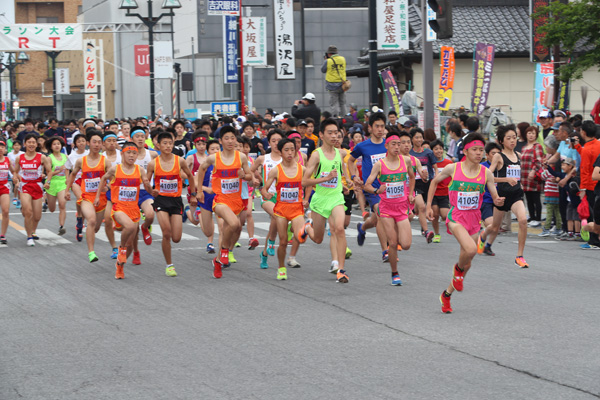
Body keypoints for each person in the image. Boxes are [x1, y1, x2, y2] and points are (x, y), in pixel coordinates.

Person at [427, 133, 504, 313]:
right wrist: (428, 206)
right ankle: (458, 270)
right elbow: (434, 182)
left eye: (481, 150)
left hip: (473, 220)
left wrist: (498, 200)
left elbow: (494, 194)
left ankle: (446, 295)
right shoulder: (454, 168)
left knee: (467, 263)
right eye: (475, 150)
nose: (479, 153)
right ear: (465, 150)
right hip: (456, 218)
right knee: (470, 249)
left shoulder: (486, 173)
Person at [299, 118, 352, 283]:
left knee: (339, 229)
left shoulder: (341, 153)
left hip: (336, 198)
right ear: (321, 135)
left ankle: (341, 270)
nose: (334, 136)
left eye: (336, 132)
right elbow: (304, 181)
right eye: (330, 133)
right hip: (320, 200)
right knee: (318, 239)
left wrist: (349, 181)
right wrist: (325, 179)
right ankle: (308, 228)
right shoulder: (316, 156)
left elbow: (344, 168)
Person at [196, 126, 253, 279]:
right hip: (220, 200)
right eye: (226, 138)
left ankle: (218, 261)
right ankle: (225, 251)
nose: (230, 141)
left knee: (234, 227)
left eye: (232, 138)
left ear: (236, 139)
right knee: (234, 224)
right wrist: (200, 190)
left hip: (236, 200)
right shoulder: (214, 158)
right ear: (221, 141)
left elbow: (250, 176)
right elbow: (202, 169)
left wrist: (244, 175)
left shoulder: (241, 157)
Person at [364, 131, 415, 285]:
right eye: (394, 144)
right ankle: (395, 273)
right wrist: (376, 191)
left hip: (401, 208)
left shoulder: (406, 161)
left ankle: (394, 247)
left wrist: (411, 193)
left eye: (399, 144)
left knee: (405, 245)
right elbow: (367, 184)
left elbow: (412, 177)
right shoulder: (380, 164)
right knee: (392, 243)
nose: (397, 147)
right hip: (386, 209)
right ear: (386, 146)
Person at [96, 142, 153, 279]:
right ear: (122, 154)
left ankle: (120, 267)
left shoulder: (140, 170)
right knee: (129, 228)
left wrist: (151, 189)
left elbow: (146, 183)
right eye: (129, 152)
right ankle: (120, 248)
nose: (132, 155)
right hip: (119, 207)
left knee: (131, 244)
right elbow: (104, 178)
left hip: (133, 208)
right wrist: (98, 195)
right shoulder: (115, 169)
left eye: (134, 153)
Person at [477, 125, 530, 268]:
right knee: (494, 227)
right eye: (508, 138)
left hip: (516, 195)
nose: (512, 141)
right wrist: (505, 179)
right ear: (501, 141)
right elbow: (487, 176)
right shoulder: (499, 157)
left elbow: (519, 176)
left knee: (523, 220)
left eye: (514, 137)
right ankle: (483, 235)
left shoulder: (519, 156)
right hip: (501, 196)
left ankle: (519, 256)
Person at [146, 132, 197, 277]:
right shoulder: (153, 164)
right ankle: (169, 265)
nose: (168, 146)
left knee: (176, 238)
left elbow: (190, 177)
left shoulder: (179, 161)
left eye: (170, 143)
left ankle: (186, 211)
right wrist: (152, 190)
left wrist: (193, 195)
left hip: (175, 201)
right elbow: (146, 183)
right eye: (165, 143)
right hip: (161, 200)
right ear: (158, 145)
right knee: (166, 233)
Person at [261, 138, 307, 280]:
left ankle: (294, 228)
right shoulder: (276, 170)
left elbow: (310, 184)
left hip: (297, 209)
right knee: (282, 241)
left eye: (292, 149)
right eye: (286, 150)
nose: (289, 153)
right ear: (280, 152)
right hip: (281, 209)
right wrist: (265, 193)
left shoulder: (302, 169)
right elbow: (264, 188)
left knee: (301, 236)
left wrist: (306, 198)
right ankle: (281, 267)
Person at [348, 112, 389, 262]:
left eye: (382, 126)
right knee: (380, 214)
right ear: (370, 128)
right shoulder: (362, 146)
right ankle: (385, 251)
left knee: (375, 219)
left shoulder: (388, 145)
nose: (380, 129)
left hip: (388, 189)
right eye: (377, 126)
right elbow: (350, 161)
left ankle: (363, 227)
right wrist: (354, 177)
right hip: (371, 188)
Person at [65, 129, 110, 262]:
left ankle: (90, 233)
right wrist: (67, 190)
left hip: (101, 198)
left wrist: (109, 187)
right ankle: (91, 252)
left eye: (99, 143)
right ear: (88, 144)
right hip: (86, 197)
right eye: (94, 142)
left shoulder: (105, 161)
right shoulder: (81, 161)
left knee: (95, 227)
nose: (97, 145)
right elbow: (72, 175)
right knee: (90, 220)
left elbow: (113, 178)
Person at [251, 129, 284, 269]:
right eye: (273, 141)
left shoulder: (287, 158)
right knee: (277, 216)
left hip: (283, 198)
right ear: (269, 142)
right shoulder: (263, 158)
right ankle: (271, 242)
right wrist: (254, 180)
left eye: (278, 141)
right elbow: (250, 170)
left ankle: (264, 254)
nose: (276, 143)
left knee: (275, 221)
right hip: (267, 196)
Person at [14, 134, 51, 246]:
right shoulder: (19, 158)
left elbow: (49, 172)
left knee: (37, 215)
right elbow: (15, 171)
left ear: (36, 144)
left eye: (33, 142)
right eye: (29, 142)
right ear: (25, 144)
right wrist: (16, 180)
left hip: (37, 186)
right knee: (28, 212)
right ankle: (29, 236)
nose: (31, 144)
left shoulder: (42, 157)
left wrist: (48, 182)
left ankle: (33, 231)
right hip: (25, 186)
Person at [131, 128, 158, 265]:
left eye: (142, 136)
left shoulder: (152, 154)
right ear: (132, 139)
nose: (140, 139)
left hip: (146, 191)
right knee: (133, 227)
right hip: (131, 193)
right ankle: (136, 252)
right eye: (137, 136)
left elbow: (163, 164)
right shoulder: (128, 156)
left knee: (150, 215)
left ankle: (145, 227)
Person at [573, 120, 600, 249]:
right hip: (598, 183)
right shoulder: (597, 145)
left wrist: (582, 188)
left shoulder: (586, 149)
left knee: (591, 214)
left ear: (583, 132)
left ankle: (594, 241)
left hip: (590, 185)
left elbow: (584, 169)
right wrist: (578, 147)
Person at [409, 127, 437, 242]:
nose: (419, 139)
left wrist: (435, 177)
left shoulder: (428, 152)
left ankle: (423, 226)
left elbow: (435, 166)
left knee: (427, 207)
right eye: (416, 137)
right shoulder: (409, 153)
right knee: (421, 206)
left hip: (428, 182)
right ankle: (426, 231)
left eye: (421, 137)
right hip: (415, 184)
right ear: (412, 139)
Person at [102, 131, 122, 259]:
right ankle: (114, 247)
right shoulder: (101, 157)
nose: (112, 143)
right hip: (109, 192)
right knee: (108, 219)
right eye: (108, 141)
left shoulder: (123, 155)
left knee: (124, 224)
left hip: (124, 192)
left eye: (114, 140)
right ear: (103, 143)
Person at [65, 133, 89, 241]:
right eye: (79, 141)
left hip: (88, 181)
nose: (81, 143)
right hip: (76, 181)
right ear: (75, 144)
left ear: (86, 142)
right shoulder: (72, 155)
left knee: (85, 202)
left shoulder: (89, 154)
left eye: (83, 141)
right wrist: (67, 180)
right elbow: (67, 168)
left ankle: (80, 219)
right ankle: (80, 219)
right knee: (81, 199)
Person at [43, 137, 69, 235]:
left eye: (58, 143)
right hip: (52, 183)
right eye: (54, 144)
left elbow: (67, 170)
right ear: (51, 146)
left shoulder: (66, 157)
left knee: (62, 204)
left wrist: (68, 180)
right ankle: (46, 201)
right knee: (52, 209)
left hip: (62, 183)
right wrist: (58, 171)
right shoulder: (49, 158)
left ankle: (61, 226)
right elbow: (49, 173)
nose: (57, 146)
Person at [519, 126, 544, 227]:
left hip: (533, 176)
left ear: (536, 135)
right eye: (529, 133)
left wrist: (533, 171)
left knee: (536, 197)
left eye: (533, 133)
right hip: (524, 176)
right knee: (528, 198)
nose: (531, 135)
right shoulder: (524, 147)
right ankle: (532, 217)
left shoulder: (537, 146)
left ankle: (537, 218)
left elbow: (539, 161)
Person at [430, 139, 453, 242]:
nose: (438, 151)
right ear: (432, 151)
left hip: (445, 193)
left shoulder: (449, 163)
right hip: (434, 193)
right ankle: (437, 234)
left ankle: (452, 226)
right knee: (435, 214)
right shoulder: (430, 164)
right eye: (436, 149)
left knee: (444, 215)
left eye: (440, 149)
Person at [321, 45, 347, 117]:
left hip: (332, 85)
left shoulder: (328, 61)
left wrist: (325, 60)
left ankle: (336, 118)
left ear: (329, 54)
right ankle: (344, 117)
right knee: (343, 103)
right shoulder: (343, 59)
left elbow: (323, 70)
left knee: (334, 103)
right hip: (343, 85)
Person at [0, 139, 16, 244]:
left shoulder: (7, 160)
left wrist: (16, 178)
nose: (0, 149)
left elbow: (13, 171)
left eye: (2, 147)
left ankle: (3, 235)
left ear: (5, 149)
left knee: (5, 211)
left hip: (4, 186)